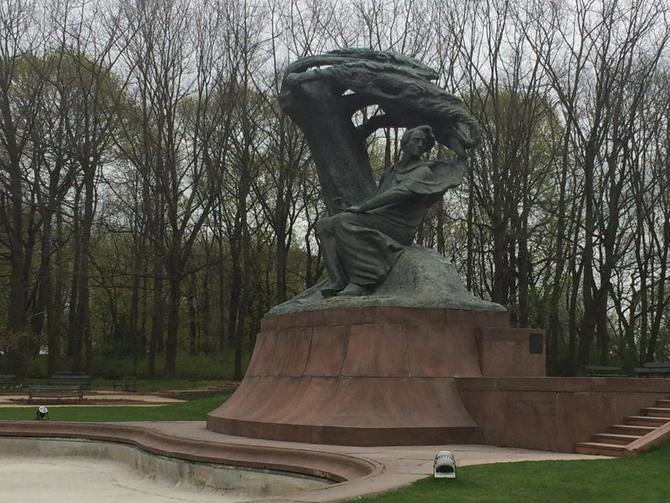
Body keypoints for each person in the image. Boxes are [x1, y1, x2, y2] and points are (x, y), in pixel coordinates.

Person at [316, 125, 465, 297]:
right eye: (416, 140)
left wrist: (362, 208)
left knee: (341, 221)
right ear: (404, 143)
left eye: (423, 143)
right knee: (324, 225)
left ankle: (362, 281)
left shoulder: (422, 172)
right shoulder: (391, 172)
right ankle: (338, 280)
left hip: (400, 225)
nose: (419, 145)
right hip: (383, 217)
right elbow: (380, 199)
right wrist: (352, 208)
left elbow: (400, 193)